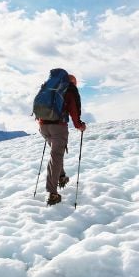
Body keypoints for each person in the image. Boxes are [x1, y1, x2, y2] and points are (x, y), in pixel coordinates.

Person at [38, 73, 86, 206]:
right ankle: (52, 193)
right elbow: (73, 110)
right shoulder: (69, 89)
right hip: (58, 127)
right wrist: (79, 125)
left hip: (43, 126)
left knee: (56, 155)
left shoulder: (49, 87)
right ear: (73, 82)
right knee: (56, 156)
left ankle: (61, 176)